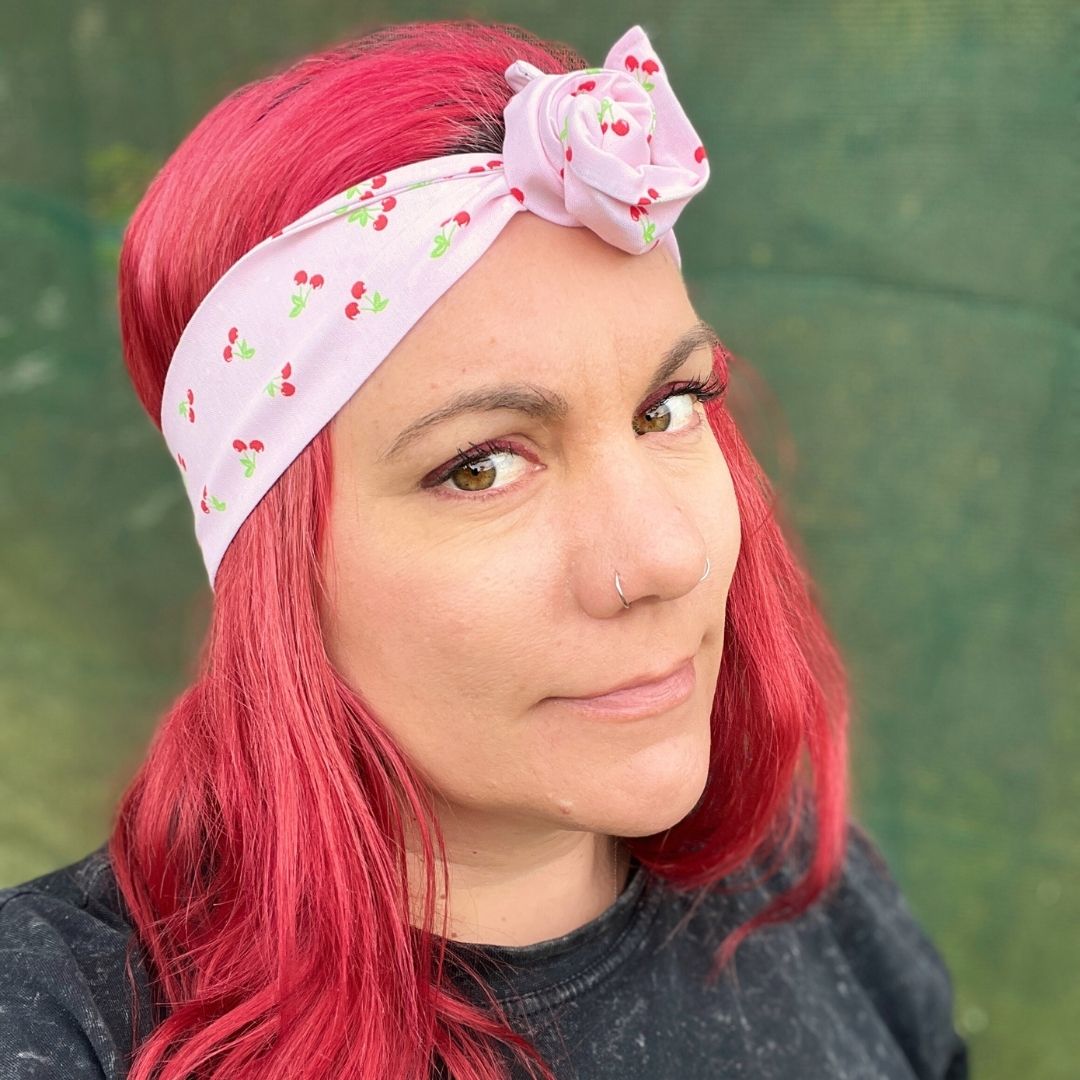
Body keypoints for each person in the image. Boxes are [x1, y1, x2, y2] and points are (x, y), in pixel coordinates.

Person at [0, 17, 969, 1080]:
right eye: (481, 469)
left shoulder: (810, 894)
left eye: (669, 408)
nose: (663, 558)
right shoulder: (57, 1023)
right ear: (272, 562)